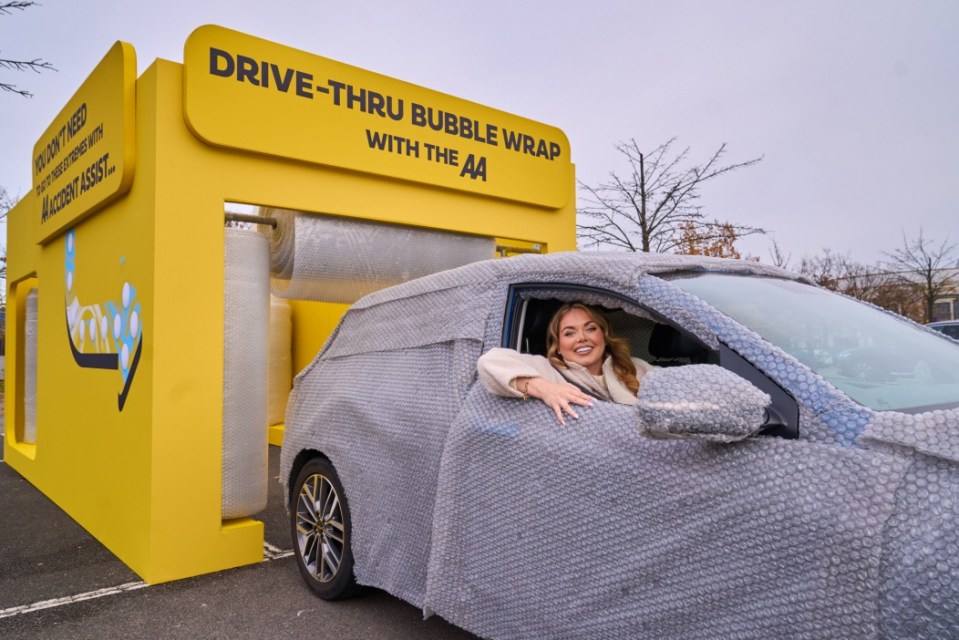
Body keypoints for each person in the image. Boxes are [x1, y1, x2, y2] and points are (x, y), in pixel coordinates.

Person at [477, 302, 655, 425]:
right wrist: (544, 388)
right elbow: (489, 361)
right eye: (569, 333)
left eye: (590, 328)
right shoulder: (547, 369)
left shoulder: (635, 367)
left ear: (604, 336)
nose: (582, 338)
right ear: (558, 347)